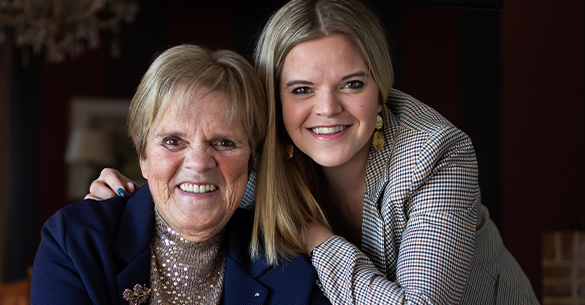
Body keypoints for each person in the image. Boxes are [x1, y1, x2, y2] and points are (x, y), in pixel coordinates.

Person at [85, 0, 538, 303]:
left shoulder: (437, 153)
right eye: (301, 89)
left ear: (380, 88)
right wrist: (131, 194)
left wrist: (313, 236)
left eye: (352, 84)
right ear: (274, 98)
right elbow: (200, 180)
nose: (327, 109)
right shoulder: (262, 155)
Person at [31, 44, 331, 305]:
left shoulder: (285, 265)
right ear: (143, 156)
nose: (199, 163)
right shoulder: (76, 242)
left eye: (224, 142)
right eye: (173, 141)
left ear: (251, 162)